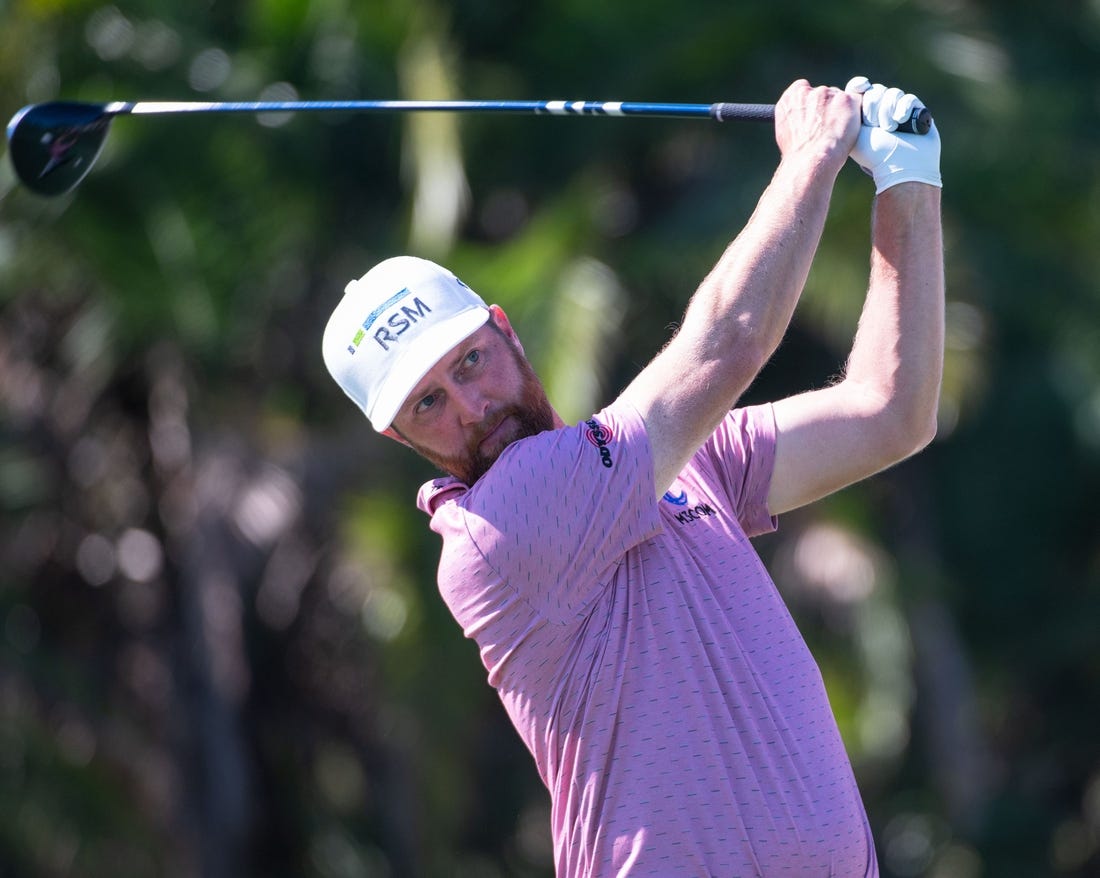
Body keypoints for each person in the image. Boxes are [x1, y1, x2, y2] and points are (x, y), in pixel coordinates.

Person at [322, 75, 943, 877]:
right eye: (430, 403)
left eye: (471, 361)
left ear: (505, 332)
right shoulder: (496, 530)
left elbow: (890, 411)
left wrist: (908, 180)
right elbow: (726, 346)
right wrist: (812, 154)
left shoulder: (681, 464)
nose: (472, 408)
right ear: (401, 438)